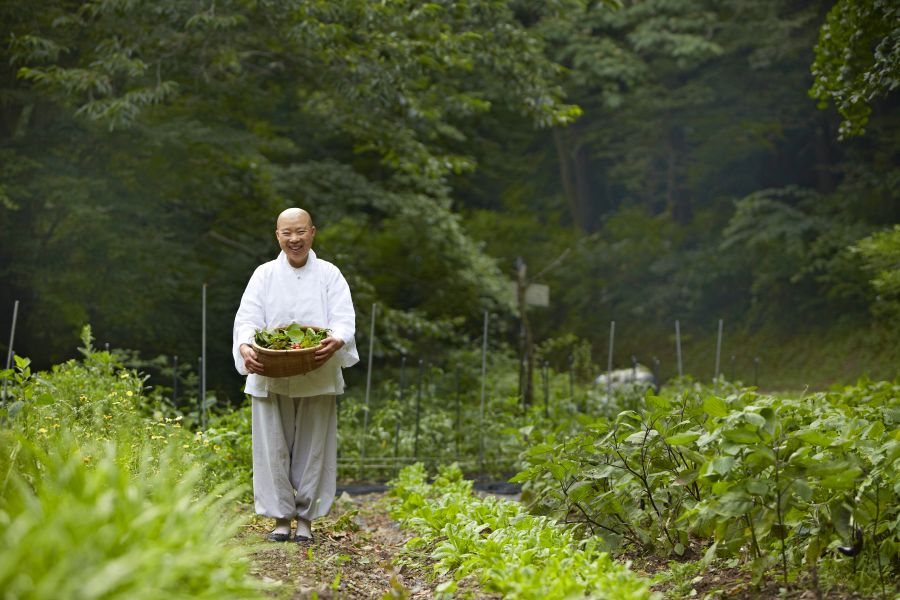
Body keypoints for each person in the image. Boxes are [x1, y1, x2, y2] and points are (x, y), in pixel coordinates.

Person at [232, 207, 358, 542]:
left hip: (318, 369)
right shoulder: (263, 275)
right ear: (277, 235)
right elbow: (247, 319)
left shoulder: (330, 274)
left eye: (300, 231)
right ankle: (280, 519)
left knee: (314, 446)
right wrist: (246, 347)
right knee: (272, 447)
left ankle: (305, 521)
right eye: (287, 233)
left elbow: (344, 318)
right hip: (270, 371)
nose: (294, 239)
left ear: (312, 232)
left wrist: (337, 340)